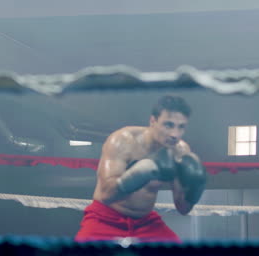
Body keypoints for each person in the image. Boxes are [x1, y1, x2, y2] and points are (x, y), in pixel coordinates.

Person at [75, 95, 207, 243]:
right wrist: (142, 172)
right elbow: (106, 194)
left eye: (181, 127)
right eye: (168, 125)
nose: (175, 134)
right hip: (106, 218)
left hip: (145, 223)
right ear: (153, 121)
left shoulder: (180, 151)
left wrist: (195, 189)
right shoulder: (122, 140)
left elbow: (183, 208)